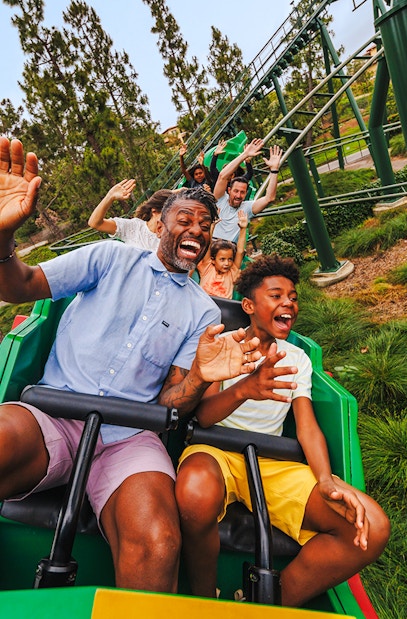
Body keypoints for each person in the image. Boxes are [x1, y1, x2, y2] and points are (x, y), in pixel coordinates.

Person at [0, 137, 262, 595]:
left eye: (206, 224)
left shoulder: (203, 311)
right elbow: (19, 286)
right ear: (160, 223)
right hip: (53, 413)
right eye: (186, 220)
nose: (197, 231)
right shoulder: (109, 257)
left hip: (128, 439)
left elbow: (171, 403)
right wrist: (3, 237)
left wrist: (201, 376)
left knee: (159, 541)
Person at [176, 254, 390, 607]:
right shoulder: (223, 346)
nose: (288, 302)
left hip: (270, 461)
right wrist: (245, 388)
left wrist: (326, 480)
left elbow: (307, 427)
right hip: (215, 451)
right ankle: (203, 599)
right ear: (248, 305)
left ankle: (267, 605)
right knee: (195, 496)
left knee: (371, 527)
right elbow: (204, 418)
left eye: (292, 296)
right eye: (276, 295)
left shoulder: (297, 358)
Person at [213, 138, 283, 243]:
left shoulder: (247, 208)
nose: (238, 195)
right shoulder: (220, 199)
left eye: (242, 192)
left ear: (246, 193)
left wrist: (274, 169)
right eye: (236, 191)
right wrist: (245, 155)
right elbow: (222, 176)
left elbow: (269, 198)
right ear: (229, 190)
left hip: (228, 251)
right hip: (211, 245)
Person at [88, 179, 172, 251]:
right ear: (154, 211)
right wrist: (110, 196)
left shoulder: (171, 239)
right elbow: (95, 223)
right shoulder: (133, 227)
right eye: (168, 214)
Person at [197, 210, 248, 299]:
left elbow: (240, 251)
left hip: (222, 309)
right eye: (222, 259)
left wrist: (243, 229)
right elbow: (207, 245)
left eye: (230, 259)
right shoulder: (207, 268)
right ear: (213, 260)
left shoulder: (232, 273)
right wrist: (211, 226)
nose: (227, 263)